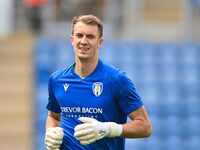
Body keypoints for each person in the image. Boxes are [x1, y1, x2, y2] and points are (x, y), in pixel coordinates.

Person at [44, 14, 152, 150]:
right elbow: (53, 116)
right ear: (72, 40)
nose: (83, 41)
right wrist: (50, 132)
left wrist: (108, 129)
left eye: (90, 36)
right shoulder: (57, 80)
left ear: (100, 42)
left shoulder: (117, 80)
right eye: (79, 35)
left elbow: (145, 127)